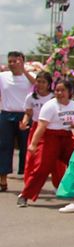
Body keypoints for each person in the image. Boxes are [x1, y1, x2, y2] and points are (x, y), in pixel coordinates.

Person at [18, 79, 74, 206]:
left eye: (63, 90)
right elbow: (41, 126)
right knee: (41, 167)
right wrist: (33, 144)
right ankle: (25, 195)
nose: (59, 93)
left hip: (66, 137)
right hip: (50, 138)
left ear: (69, 92)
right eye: (57, 90)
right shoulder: (50, 106)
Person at [0, 51, 35, 190]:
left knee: (26, 147)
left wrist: (24, 70)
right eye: (10, 61)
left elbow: (38, 86)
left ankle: (27, 179)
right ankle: (3, 180)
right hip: (6, 115)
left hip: (25, 116)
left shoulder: (30, 77)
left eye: (16, 61)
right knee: (4, 147)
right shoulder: (3, 76)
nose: (12, 64)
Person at [19, 72, 56, 194]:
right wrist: (24, 123)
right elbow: (28, 114)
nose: (40, 84)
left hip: (51, 129)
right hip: (36, 128)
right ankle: (28, 186)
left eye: (43, 82)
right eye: (38, 81)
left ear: (49, 84)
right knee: (32, 158)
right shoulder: (30, 97)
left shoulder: (54, 97)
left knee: (55, 160)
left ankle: (60, 185)